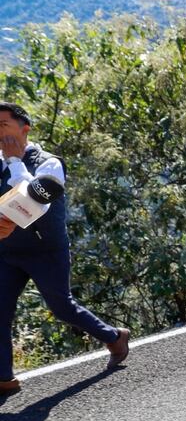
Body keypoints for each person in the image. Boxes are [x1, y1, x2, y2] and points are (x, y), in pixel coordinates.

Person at [0, 102, 129, 395]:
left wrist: (15, 162)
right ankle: (3, 377)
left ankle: (114, 337)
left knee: (61, 307)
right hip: (8, 252)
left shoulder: (49, 163)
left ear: (25, 128)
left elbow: (36, 203)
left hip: (46, 251)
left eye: (3, 125)